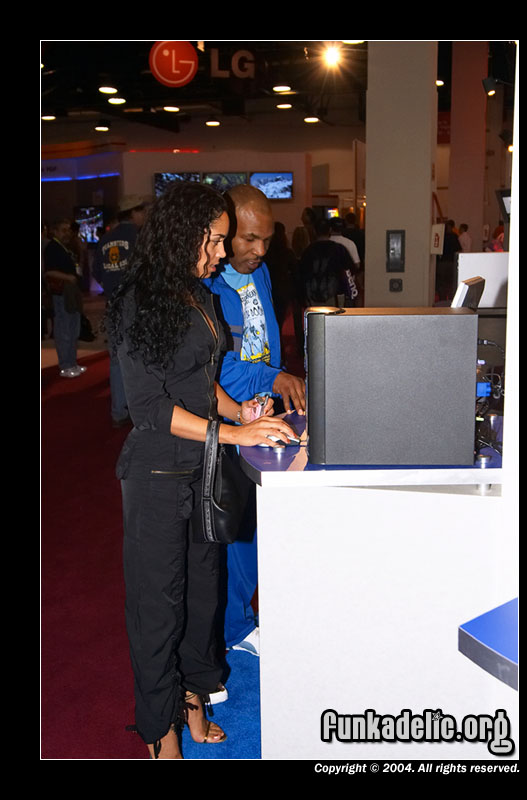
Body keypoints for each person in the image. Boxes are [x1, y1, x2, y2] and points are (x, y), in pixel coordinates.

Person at [105, 181, 296, 759]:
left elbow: (201, 382)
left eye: (222, 240)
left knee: (202, 598)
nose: (221, 253)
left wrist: (243, 413)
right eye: (213, 241)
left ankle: (193, 698)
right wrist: (235, 434)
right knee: (158, 608)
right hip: (157, 475)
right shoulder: (138, 300)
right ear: (181, 234)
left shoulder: (200, 293)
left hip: (203, 467)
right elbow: (151, 407)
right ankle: (159, 729)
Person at [204, 184, 306, 659]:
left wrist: (277, 386)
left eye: (266, 239)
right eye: (249, 239)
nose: (259, 250)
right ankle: (232, 630)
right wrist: (273, 378)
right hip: (226, 419)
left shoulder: (259, 270)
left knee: (256, 524)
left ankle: (244, 617)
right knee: (232, 528)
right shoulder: (207, 284)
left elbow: (265, 341)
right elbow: (217, 369)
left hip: (263, 412)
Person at [94, 195, 147, 427]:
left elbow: (97, 272)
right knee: (141, 357)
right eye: (142, 210)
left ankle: (118, 410)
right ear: (133, 212)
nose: (144, 214)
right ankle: (140, 411)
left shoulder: (105, 239)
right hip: (137, 304)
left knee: (116, 358)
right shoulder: (140, 237)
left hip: (112, 304)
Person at [43, 218, 87, 378]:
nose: (67, 233)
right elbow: (48, 272)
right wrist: (68, 277)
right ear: (54, 231)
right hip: (61, 293)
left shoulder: (67, 247)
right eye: (63, 230)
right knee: (64, 329)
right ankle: (65, 364)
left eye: (68, 230)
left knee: (73, 327)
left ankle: (72, 362)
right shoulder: (52, 248)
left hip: (71, 292)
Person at [298, 218, 357, 307]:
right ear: (330, 230)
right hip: (335, 295)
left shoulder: (308, 251)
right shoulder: (339, 249)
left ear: (314, 231)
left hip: (312, 295)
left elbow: (302, 274)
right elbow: (350, 271)